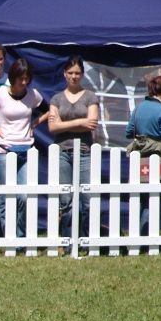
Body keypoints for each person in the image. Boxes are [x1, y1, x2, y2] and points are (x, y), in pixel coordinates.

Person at [0, 58, 48, 237]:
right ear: (13, 77)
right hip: (4, 150)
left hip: (26, 149)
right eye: (21, 78)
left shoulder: (33, 95)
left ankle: (19, 236)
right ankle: (9, 237)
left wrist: (35, 123)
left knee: (24, 195)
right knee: (6, 196)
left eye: (27, 78)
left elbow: (50, 110)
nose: (24, 82)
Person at [48, 56, 99, 237]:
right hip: (62, 151)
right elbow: (52, 127)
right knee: (65, 198)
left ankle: (86, 238)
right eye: (70, 73)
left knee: (87, 198)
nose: (74, 76)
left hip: (85, 151)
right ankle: (67, 239)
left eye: (77, 73)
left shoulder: (90, 97)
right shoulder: (56, 99)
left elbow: (92, 124)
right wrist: (80, 122)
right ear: (64, 74)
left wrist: (64, 124)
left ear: (82, 74)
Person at [126, 74, 161, 236]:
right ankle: (146, 237)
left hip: (139, 156)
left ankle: (135, 235)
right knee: (155, 198)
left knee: (140, 199)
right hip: (157, 157)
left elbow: (129, 132)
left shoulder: (138, 108)